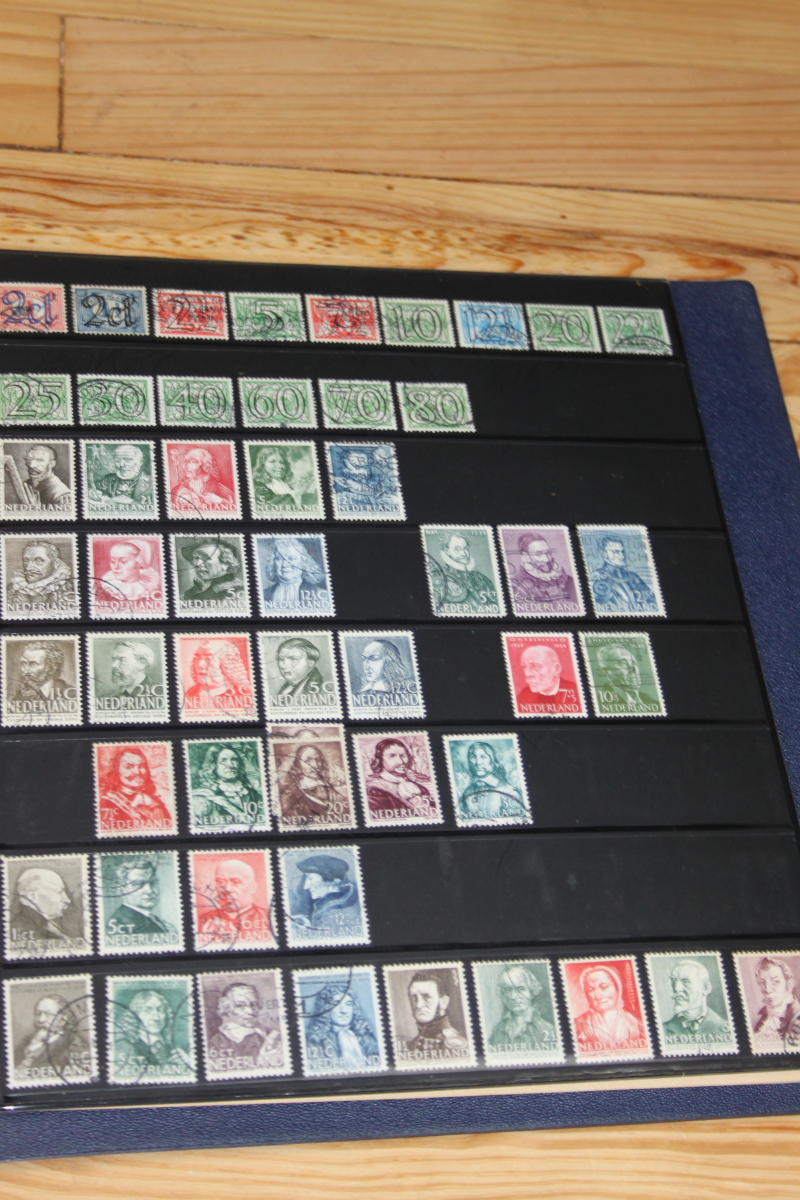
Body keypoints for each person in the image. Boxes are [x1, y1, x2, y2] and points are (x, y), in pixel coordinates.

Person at [207, 982, 283, 1068]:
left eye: (254, 1004)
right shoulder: (217, 1043)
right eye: (240, 1006)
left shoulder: (271, 1034)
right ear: (226, 1009)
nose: (250, 1011)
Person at [306, 981, 379, 1070]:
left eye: (348, 1004)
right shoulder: (315, 1040)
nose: (344, 1011)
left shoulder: (366, 1037)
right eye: (336, 1004)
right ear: (325, 1009)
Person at [198, 858, 272, 945]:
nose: (227, 889)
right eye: (221, 882)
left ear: (253, 888)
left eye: (236, 882)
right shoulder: (202, 921)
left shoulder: (269, 918)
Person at [115, 989, 191, 1072]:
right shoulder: (126, 1047)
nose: (156, 1018)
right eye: (147, 1011)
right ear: (134, 1015)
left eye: (160, 1010)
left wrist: (188, 1062)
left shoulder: (170, 1048)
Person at [573, 964, 646, 1050]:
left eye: (604, 987)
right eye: (590, 990)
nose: (598, 996)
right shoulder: (578, 1025)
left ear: (617, 988)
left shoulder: (636, 1024)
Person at [104, 857, 178, 940]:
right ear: (122, 890)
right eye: (139, 884)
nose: (149, 890)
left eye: (153, 882)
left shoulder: (153, 919)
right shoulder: (118, 923)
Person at [98, 745, 172, 829]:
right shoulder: (107, 803)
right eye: (128, 767)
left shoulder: (155, 803)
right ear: (116, 770)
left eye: (141, 766)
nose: (137, 772)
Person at [15, 994, 89, 1075]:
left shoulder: (75, 1045)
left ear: (63, 1019)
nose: (41, 1020)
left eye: (49, 1014)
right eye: (38, 1014)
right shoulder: (26, 1042)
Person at [9, 866, 83, 946]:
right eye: (59, 892)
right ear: (33, 895)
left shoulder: (45, 924)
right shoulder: (21, 927)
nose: (67, 900)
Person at [488, 965, 556, 1051]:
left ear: (532, 991)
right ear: (502, 994)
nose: (513, 996)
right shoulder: (497, 1031)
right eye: (508, 989)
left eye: (520, 989)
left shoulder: (547, 1029)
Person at [191, 743, 262, 825]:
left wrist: (227, 805)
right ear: (213, 765)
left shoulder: (252, 794)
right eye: (223, 760)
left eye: (234, 759)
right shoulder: (204, 796)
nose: (231, 765)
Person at [365, 737, 436, 818]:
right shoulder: (374, 791)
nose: (401, 761)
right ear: (380, 760)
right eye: (392, 756)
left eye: (403, 756)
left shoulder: (420, 788)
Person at [278, 742, 348, 824]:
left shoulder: (328, 788)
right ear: (298, 764)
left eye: (318, 760)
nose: (315, 765)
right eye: (308, 761)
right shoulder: (291, 794)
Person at [456, 740, 527, 822]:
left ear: (492, 761)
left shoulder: (509, 792)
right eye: (473, 757)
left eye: (483, 757)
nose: (478, 762)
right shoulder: (467, 792)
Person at [662, 959, 730, 1042]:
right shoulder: (662, 1030)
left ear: (706, 988)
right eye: (673, 980)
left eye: (685, 981)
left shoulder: (729, 1029)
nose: (676, 988)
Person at [290, 854, 359, 935]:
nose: (306, 886)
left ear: (331, 879)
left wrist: (309, 931)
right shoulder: (333, 903)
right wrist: (309, 925)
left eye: (310, 879)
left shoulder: (335, 912)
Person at [428, 532, 497, 610]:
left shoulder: (483, 579)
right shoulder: (437, 577)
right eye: (457, 549)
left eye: (466, 549)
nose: (464, 553)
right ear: (447, 551)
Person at [405, 971, 468, 1055]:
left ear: (443, 1002)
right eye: (414, 998)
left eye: (426, 997)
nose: (419, 1005)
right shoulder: (413, 1043)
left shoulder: (454, 1043)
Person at [589, 534, 656, 612]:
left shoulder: (633, 577)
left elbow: (653, 602)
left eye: (622, 551)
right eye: (616, 552)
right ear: (604, 553)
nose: (622, 556)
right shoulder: (597, 578)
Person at [260, 537, 328, 610]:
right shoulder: (263, 595)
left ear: (303, 563)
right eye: (279, 559)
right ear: (273, 563)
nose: (285, 564)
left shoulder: (321, 594)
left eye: (292, 558)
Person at [513, 532, 577, 607]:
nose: (546, 559)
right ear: (525, 556)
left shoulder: (568, 580)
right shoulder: (517, 586)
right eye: (538, 554)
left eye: (547, 553)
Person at [7, 540, 75, 611]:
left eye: (38, 561)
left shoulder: (71, 589)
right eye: (26, 560)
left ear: (56, 563)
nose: (28, 568)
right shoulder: (11, 590)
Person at [751, 956, 800, 1048]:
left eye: (775, 981)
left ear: (789, 984)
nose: (767, 989)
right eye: (762, 982)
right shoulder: (762, 1020)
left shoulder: (797, 1019)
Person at [185, 639, 251, 706]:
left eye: (208, 659)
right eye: (198, 659)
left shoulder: (241, 694)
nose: (199, 665)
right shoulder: (190, 693)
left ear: (227, 665)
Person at [514, 642, 581, 709]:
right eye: (524, 666)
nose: (527, 674)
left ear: (556, 669)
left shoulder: (577, 692)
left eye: (536, 666)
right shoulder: (523, 696)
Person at [594, 642, 658, 710]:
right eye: (623, 663)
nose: (633, 669)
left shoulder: (654, 703)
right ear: (607, 672)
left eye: (633, 663)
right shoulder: (598, 705)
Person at [170, 445, 234, 512]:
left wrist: (221, 501)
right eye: (185, 461)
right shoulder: (176, 490)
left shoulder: (222, 489)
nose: (185, 466)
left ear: (205, 466)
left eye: (193, 461)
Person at [97, 539, 161, 605]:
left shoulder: (152, 588)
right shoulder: (106, 587)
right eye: (113, 561)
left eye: (123, 561)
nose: (116, 566)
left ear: (139, 563)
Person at [180, 538, 244, 603]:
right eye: (196, 558)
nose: (198, 564)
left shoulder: (239, 590)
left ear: (225, 563)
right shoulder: (189, 593)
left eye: (206, 558)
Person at [251, 446, 315, 509]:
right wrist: (298, 493)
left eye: (281, 462)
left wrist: (302, 491)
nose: (280, 466)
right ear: (262, 465)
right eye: (272, 461)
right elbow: (274, 508)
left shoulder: (285, 485)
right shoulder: (258, 487)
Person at [12, 640, 72, 705]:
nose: (25, 671)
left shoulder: (70, 693)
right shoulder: (20, 695)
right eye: (23, 664)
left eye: (33, 664)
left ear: (51, 668)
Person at [22, 444, 71, 510]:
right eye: (28, 459)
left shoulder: (62, 494)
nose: (31, 465)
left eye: (39, 460)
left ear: (51, 464)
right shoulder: (25, 484)